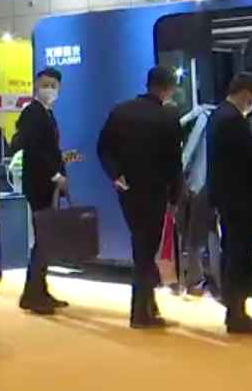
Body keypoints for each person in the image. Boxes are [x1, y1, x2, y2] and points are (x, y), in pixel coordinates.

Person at [98, 66, 184, 329]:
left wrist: (116, 175)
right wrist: (176, 195)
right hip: (156, 191)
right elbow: (174, 162)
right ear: (168, 88)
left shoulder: (120, 111)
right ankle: (140, 312)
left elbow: (103, 148)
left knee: (141, 246)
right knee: (146, 251)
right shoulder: (168, 117)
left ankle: (147, 306)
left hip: (128, 190)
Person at [206, 71, 252, 335]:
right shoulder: (233, 120)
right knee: (240, 255)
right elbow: (248, 153)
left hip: (228, 198)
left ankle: (235, 310)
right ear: (247, 93)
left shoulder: (219, 115)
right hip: (240, 199)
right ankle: (237, 313)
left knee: (232, 252)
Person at [11, 67, 69, 314]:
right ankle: (32, 294)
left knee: (46, 239)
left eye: (54, 86)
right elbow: (35, 149)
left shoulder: (47, 113)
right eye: (45, 85)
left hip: (47, 184)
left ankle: (39, 290)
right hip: (40, 184)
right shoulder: (33, 113)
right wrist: (55, 174)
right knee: (43, 239)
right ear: (36, 86)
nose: (49, 90)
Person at [176, 102, 220, 298]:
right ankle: (209, 281)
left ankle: (192, 280)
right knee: (207, 234)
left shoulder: (200, 117)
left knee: (193, 235)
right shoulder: (210, 118)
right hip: (205, 185)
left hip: (196, 184)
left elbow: (188, 151)